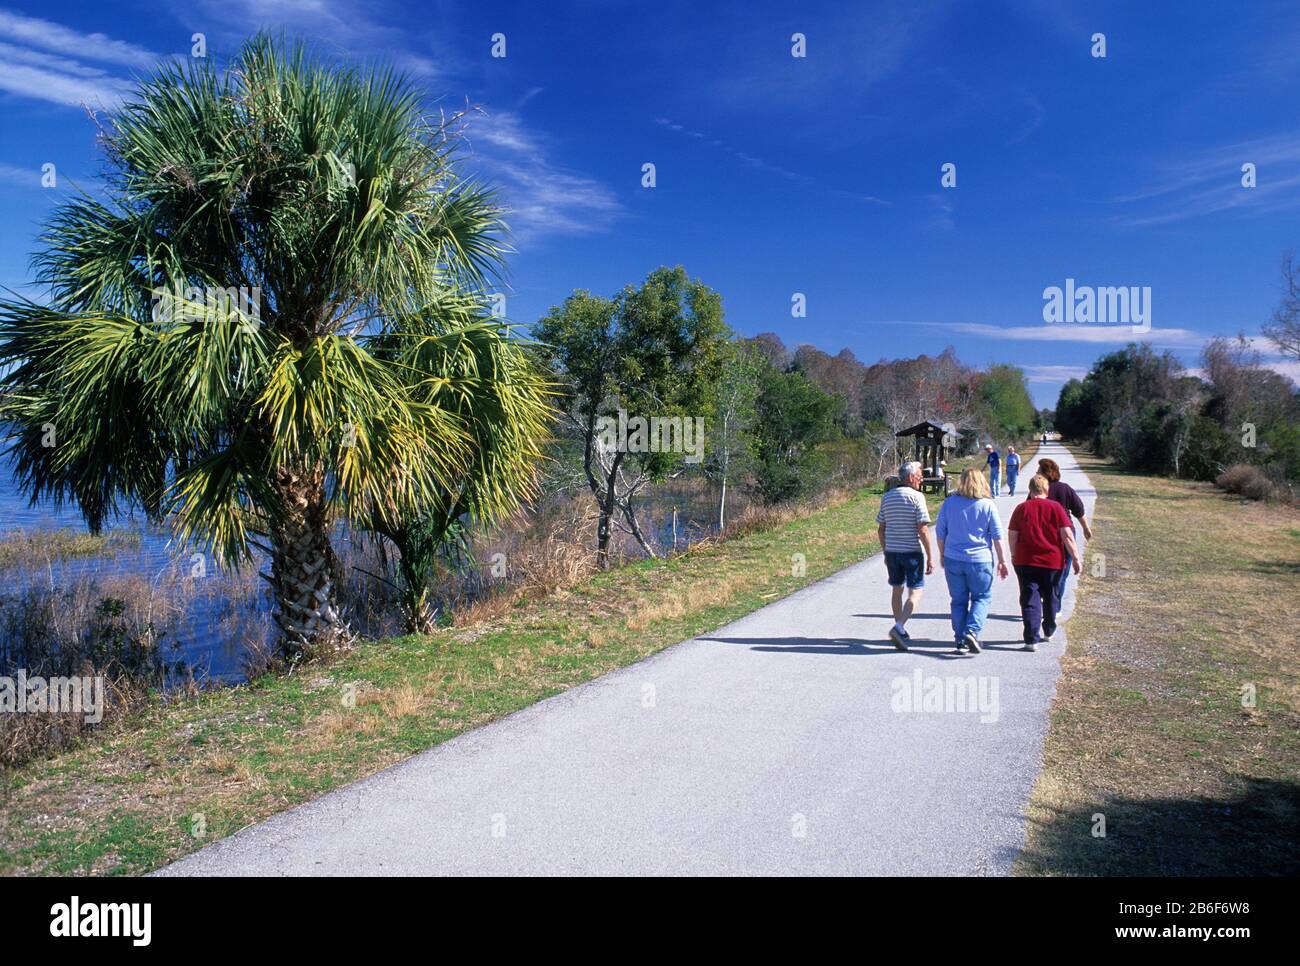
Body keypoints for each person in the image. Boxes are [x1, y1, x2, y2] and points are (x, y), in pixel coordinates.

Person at [934, 466, 1009, 654]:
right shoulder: (987, 505)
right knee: (982, 597)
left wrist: (942, 554)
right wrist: (1002, 560)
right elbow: (997, 536)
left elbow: (940, 532)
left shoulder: (949, 503)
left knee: (958, 600)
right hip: (980, 560)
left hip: (953, 558)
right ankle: (972, 631)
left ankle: (960, 640)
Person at [1008, 474, 1081, 650]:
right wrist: (1076, 557)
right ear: (1046, 489)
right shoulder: (1056, 508)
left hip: (1025, 561)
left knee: (1029, 598)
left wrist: (1013, 554)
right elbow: (1067, 535)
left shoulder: (1021, 508)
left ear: (1030, 490)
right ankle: (1048, 629)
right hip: (1052, 562)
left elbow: (1012, 535)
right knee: (1051, 596)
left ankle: (1031, 639)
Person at [876, 461, 935, 651]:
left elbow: (881, 529)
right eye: (919, 475)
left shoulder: (887, 497)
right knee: (916, 591)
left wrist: (885, 551)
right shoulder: (917, 497)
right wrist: (930, 555)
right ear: (910, 478)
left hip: (892, 551)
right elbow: (923, 529)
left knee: (897, 591)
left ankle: (899, 628)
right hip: (911, 551)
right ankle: (899, 626)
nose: (921, 478)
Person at [1036, 457, 1093, 616]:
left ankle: (1050, 602)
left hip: (1046, 534)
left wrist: (1086, 528)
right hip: (1064, 533)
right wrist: (1085, 528)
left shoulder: (1039, 490)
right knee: (1062, 572)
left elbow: (1078, 509)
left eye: (1038, 471)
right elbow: (1079, 510)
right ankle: (1055, 606)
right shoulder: (1063, 488)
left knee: (1045, 570)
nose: (1036, 473)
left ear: (1045, 473)